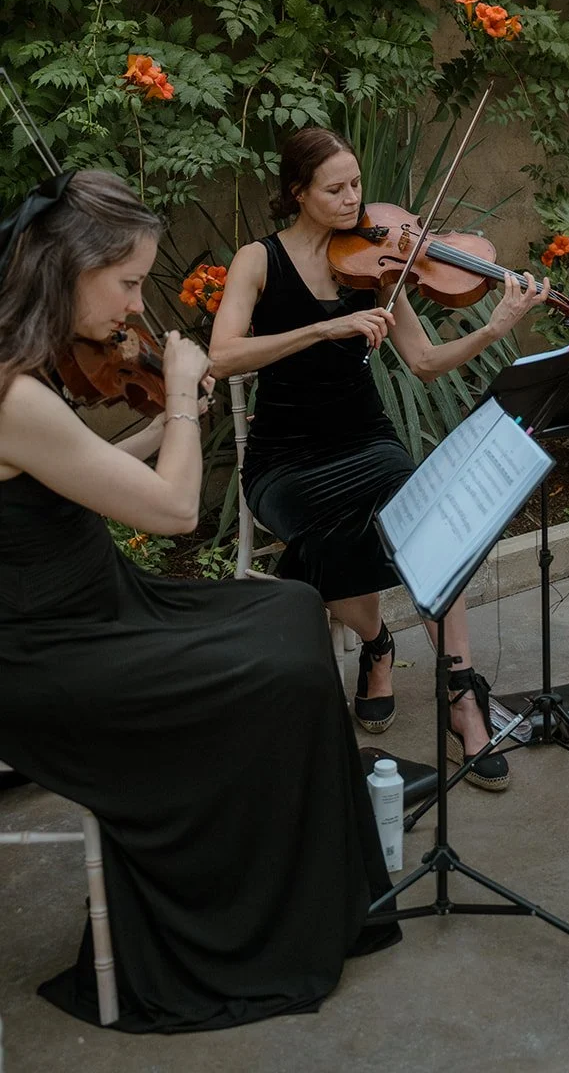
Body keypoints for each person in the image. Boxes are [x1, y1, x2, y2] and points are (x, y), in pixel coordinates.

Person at [0, 170, 399, 1032]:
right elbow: (179, 512)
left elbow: (87, 471)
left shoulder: (23, 378)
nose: (136, 310)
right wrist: (182, 394)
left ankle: (321, 893)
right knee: (280, 676)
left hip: (96, 606)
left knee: (288, 611)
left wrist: (165, 423)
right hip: (50, 653)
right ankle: (248, 926)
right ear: (68, 267)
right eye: (129, 282)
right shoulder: (12, 396)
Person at [209, 128, 549, 790]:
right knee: (327, 535)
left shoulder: (376, 265)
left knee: (429, 518)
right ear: (297, 192)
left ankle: (460, 696)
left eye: (356, 184)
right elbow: (221, 356)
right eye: (333, 189)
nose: (351, 200)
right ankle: (377, 643)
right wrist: (325, 326)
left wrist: (493, 327)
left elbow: (423, 364)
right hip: (286, 460)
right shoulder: (259, 261)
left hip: (366, 441)